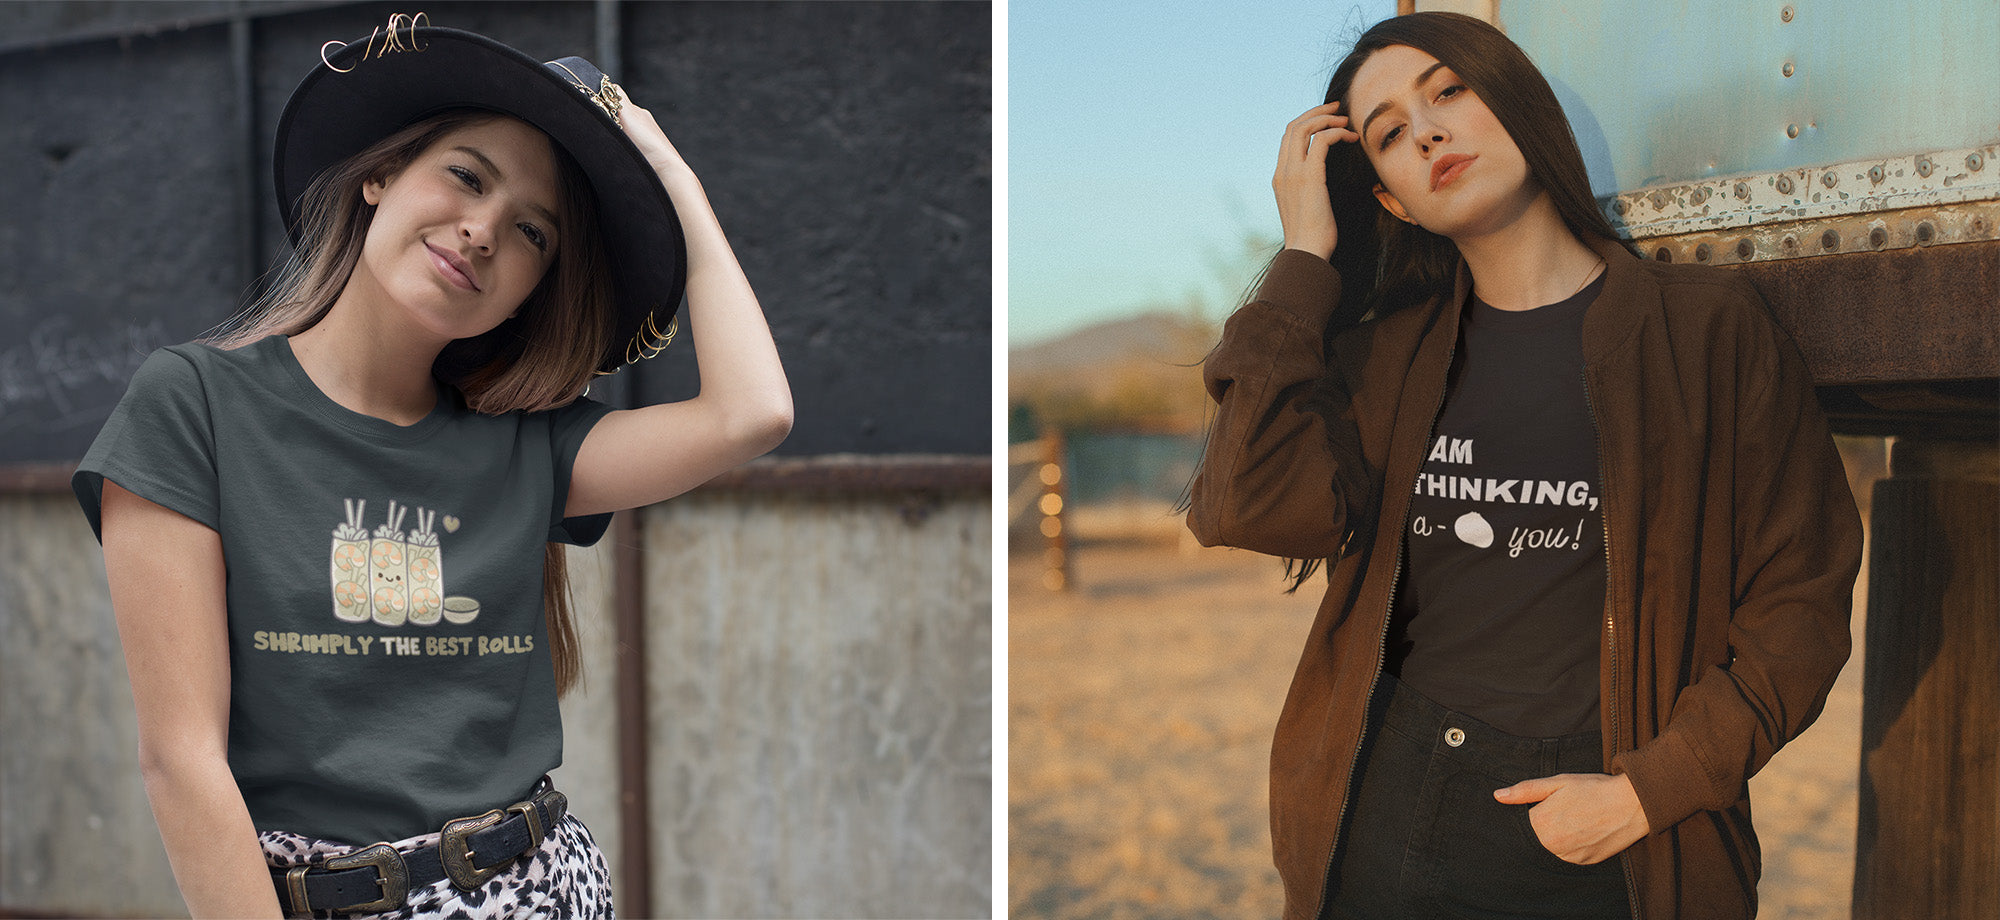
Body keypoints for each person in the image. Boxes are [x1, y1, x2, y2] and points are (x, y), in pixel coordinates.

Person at [72, 19, 791, 918]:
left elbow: (752, 412)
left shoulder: (531, 443)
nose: (484, 229)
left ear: (538, 283)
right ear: (380, 174)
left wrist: (670, 173)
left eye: (533, 230)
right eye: (465, 175)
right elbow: (182, 762)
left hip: (543, 891)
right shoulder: (195, 406)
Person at [1186, 12, 1861, 920]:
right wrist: (1305, 256)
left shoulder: (1707, 331)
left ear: (1515, 99)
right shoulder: (1386, 359)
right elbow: (1243, 507)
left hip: (1608, 824)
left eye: (1448, 92)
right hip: (1390, 795)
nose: (1425, 130)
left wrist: (1647, 791)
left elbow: (1802, 601)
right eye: (1387, 133)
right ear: (1390, 197)